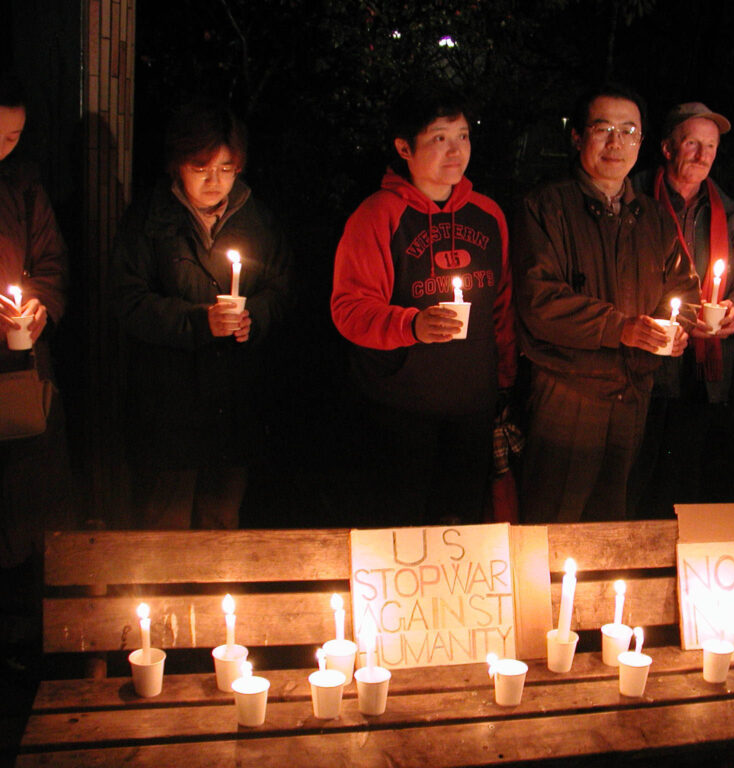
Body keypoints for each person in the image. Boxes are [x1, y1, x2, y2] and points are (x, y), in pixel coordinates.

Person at [513, 83, 700, 523]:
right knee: (553, 527)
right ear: (577, 137)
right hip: (567, 395)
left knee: (613, 525)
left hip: (634, 395)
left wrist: (677, 328)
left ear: (642, 142)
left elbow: (685, 292)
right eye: (603, 129)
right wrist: (620, 327)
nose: (616, 143)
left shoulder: (652, 217)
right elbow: (539, 300)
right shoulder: (546, 207)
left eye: (629, 130)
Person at [331, 86, 515, 526]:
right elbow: (349, 308)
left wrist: (504, 381)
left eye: (464, 136)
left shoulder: (488, 216)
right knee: (399, 534)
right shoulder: (379, 215)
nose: (455, 150)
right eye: (439, 138)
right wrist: (411, 324)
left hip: (471, 407)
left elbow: (502, 307)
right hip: (399, 410)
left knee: (461, 536)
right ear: (403, 147)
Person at [112, 100, 291, 529]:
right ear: (178, 164)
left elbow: (280, 288)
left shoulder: (256, 219)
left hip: (234, 404)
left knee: (221, 527)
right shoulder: (149, 220)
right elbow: (128, 300)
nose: (216, 181)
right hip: (168, 407)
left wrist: (256, 318)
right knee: (163, 529)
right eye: (201, 168)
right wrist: (198, 322)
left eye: (227, 169)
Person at [630, 102, 734, 515]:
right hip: (642, 368)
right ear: (667, 148)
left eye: (711, 147)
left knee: (683, 484)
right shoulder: (633, 198)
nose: (703, 155)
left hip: (700, 377)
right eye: (693, 144)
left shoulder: (729, 214)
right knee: (634, 480)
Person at [0, 70, 72, 648]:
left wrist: (41, 306)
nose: (3, 148)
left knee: (26, 503)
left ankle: (24, 638)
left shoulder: (23, 188)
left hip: (20, 375)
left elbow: (49, 265)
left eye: (13, 137)